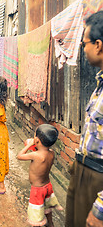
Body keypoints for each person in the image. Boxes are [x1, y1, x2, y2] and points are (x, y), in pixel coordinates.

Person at [66, 11, 103, 227]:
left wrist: (100, 208)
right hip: (83, 171)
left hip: (97, 181)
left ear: (98, 45)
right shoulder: (99, 85)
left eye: (85, 43)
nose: (83, 48)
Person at [17, 124, 63, 226]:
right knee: (47, 207)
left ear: (37, 140)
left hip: (37, 190)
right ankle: (50, 224)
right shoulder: (51, 153)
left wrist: (29, 145)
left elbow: (19, 156)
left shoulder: (35, 155)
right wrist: (36, 146)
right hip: (47, 187)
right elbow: (42, 155)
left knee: (35, 214)